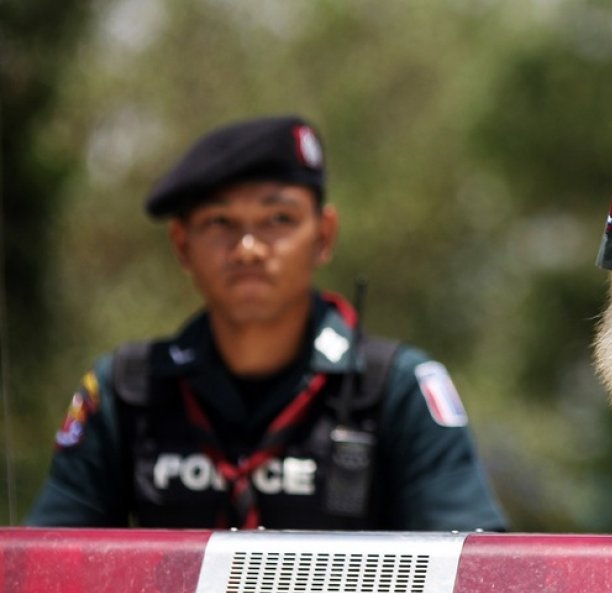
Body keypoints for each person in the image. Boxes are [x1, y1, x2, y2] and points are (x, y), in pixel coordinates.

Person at [27, 115, 507, 531]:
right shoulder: (129, 390)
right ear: (181, 245)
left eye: (278, 219)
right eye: (220, 222)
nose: (249, 248)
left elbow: (477, 568)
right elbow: (49, 560)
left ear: (324, 235)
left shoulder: (395, 392)